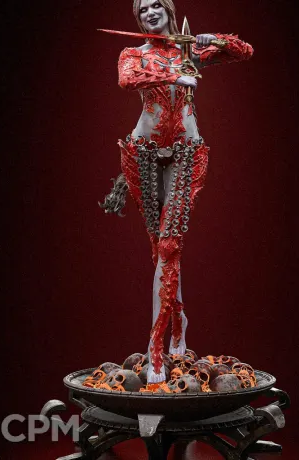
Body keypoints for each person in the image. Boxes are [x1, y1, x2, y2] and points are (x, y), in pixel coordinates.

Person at [105, 0, 254, 383]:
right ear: (138, 18)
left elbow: (244, 51)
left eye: (157, 4)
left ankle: (155, 344)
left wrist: (211, 38)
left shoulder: (189, 50)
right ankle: (177, 320)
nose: (150, 12)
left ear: (170, 9)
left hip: (187, 152)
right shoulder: (133, 53)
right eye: (143, 9)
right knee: (160, 249)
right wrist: (173, 76)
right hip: (143, 152)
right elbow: (126, 80)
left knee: (171, 246)